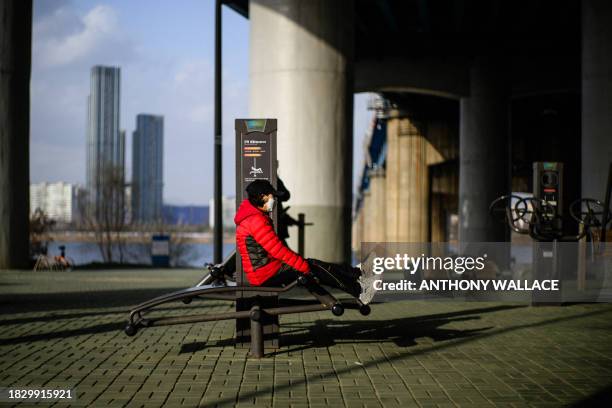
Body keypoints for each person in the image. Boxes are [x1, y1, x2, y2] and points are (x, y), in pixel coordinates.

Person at [234, 179, 376, 304]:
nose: (274, 200)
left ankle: (357, 274)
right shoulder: (255, 220)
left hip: (268, 270)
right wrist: (302, 265)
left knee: (313, 265)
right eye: (272, 196)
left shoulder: (254, 217)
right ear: (262, 197)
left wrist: (301, 264)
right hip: (265, 275)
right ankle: (359, 289)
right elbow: (278, 250)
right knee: (314, 267)